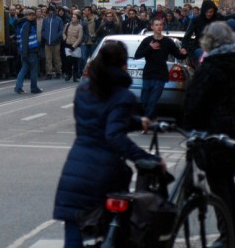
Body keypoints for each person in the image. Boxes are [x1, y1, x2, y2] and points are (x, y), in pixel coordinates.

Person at [53, 41, 165, 248]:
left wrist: (137, 122)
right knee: (111, 234)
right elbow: (114, 135)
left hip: (74, 171)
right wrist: (148, 159)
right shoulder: (123, 96)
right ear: (123, 66)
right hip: (103, 175)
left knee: (74, 236)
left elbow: (98, 119)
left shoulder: (84, 89)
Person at [183, 21, 235, 248]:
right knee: (227, 184)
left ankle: (228, 238)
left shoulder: (210, 67)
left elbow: (193, 104)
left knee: (219, 188)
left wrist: (186, 125)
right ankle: (232, 236)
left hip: (214, 138)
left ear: (209, 42)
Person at [134, 17, 187, 120]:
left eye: (160, 25)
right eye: (156, 25)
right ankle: (151, 118)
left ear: (163, 26)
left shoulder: (168, 41)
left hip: (160, 74)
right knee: (144, 100)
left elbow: (178, 55)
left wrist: (184, 54)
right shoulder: (147, 40)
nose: (159, 27)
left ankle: (147, 121)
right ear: (152, 27)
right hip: (148, 73)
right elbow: (137, 55)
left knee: (152, 100)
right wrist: (150, 48)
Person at [182, 0, 227, 66]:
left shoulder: (218, 17)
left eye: (211, 12)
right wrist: (184, 47)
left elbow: (228, 19)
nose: (209, 14)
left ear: (214, 11)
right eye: (207, 12)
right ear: (203, 11)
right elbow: (187, 35)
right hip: (200, 47)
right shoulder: (196, 20)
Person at [14, 9, 42, 94]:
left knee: (24, 69)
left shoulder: (23, 24)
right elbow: (25, 40)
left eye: (33, 15)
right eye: (30, 15)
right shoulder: (27, 25)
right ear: (26, 16)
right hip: (30, 51)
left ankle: (18, 87)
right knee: (34, 70)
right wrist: (25, 53)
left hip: (25, 51)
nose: (33, 16)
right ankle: (34, 88)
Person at [42, 6, 64, 79]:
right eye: (49, 10)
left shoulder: (59, 20)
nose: (50, 11)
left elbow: (61, 30)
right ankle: (49, 73)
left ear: (54, 11)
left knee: (56, 58)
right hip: (47, 42)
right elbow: (43, 30)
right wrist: (45, 36)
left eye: (52, 10)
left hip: (56, 42)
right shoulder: (45, 20)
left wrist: (56, 38)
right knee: (48, 58)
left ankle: (58, 72)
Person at [62, 11, 84, 82]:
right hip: (68, 45)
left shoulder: (80, 27)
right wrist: (65, 38)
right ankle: (69, 74)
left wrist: (74, 46)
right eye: (72, 17)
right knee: (68, 60)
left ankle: (75, 76)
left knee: (75, 62)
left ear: (78, 19)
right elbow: (63, 33)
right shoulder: (67, 25)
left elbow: (80, 38)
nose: (73, 18)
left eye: (74, 17)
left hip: (76, 46)